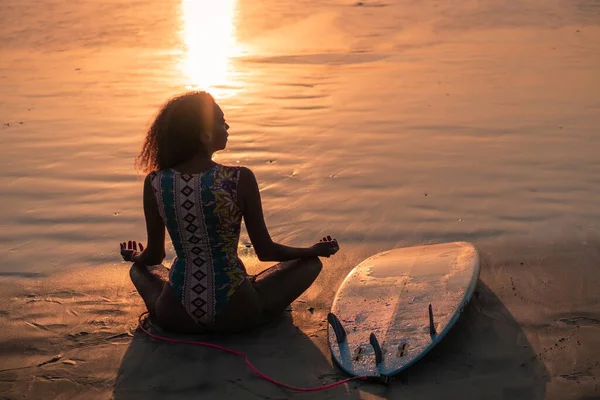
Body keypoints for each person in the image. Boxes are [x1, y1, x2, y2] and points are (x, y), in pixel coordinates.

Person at [118, 91, 339, 334]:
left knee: (140, 269)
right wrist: (312, 250)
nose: (227, 125)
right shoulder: (238, 178)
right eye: (221, 121)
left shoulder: (156, 182)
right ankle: (248, 288)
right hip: (237, 310)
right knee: (310, 264)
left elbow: (154, 256)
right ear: (204, 135)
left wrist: (135, 257)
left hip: (176, 314)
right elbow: (266, 252)